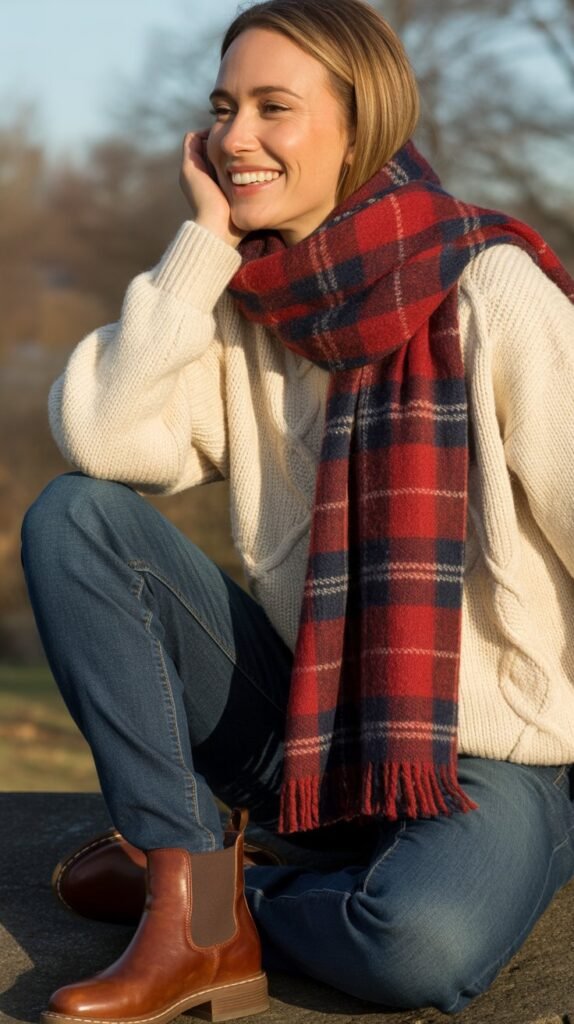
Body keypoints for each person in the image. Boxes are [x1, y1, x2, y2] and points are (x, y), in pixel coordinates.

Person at [22, 0, 574, 1021]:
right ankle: (191, 882)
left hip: (486, 757)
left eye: (274, 107)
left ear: (360, 129)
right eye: (223, 107)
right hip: (308, 731)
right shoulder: (240, 302)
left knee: (418, 943)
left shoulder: (489, 290)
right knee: (76, 520)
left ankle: (198, 899)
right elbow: (104, 440)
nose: (235, 137)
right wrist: (201, 244)